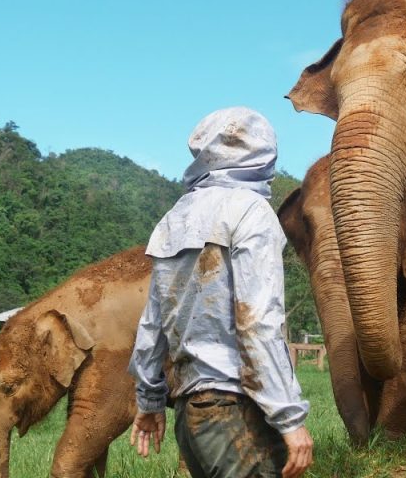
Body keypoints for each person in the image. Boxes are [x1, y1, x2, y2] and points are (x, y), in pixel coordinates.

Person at [128, 107, 313, 478]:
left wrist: (148, 401)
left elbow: (152, 326)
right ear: (265, 155)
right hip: (236, 412)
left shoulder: (174, 218)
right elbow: (257, 322)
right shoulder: (252, 212)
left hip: (190, 416)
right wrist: (289, 418)